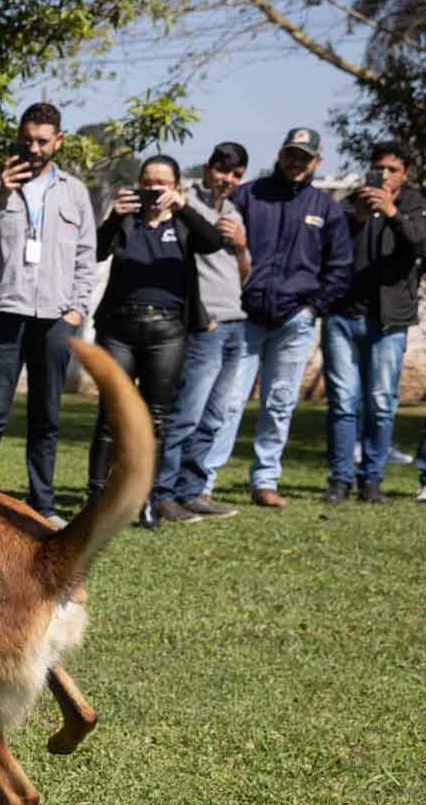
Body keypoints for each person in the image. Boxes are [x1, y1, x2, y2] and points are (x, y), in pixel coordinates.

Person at [0, 102, 97, 524]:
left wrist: (76, 310)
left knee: (46, 417)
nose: (34, 148)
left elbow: (86, 256)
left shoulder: (74, 192)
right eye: (27, 139)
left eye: (42, 141)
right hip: (4, 312)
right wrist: (0, 196)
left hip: (55, 319)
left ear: (59, 141)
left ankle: (43, 506)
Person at [86, 155, 225, 528]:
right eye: (147, 182)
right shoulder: (126, 219)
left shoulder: (183, 222)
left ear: (176, 186)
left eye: (161, 183)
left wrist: (184, 208)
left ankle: (146, 500)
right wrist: (113, 217)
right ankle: (95, 498)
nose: (153, 189)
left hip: (167, 331)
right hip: (119, 327)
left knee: (156, 420)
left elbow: (214, 242)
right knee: (111, 414)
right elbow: (95, 252)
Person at [226, 126, 352, 508]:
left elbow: (339, 267)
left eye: (304, 157)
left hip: (295, 320)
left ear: (317, 161)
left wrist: (312, 308)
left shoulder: (326, 208)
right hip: (245, 316)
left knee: (279, 403)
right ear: (281, 154)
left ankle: (265, 480)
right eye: (291, 154)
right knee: (228, 400)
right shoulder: (248, 195)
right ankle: (203, 479)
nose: (296, 162)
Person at [153, 142, 256, 522]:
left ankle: (192, 491)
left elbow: (244, 274)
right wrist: (199, 316)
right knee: (187, 414)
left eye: (236, 175)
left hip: (236, 322)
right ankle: (162, 493)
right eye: (223, 171)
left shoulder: (233, 212)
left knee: (214, 416)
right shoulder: (185, 203)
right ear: (209, 167)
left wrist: (241, 247)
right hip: (205, 323)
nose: (228, 180)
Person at [320, 141, 426, 503]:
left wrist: (392, 212)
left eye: (393, 169)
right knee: (342, 402)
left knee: (381, 403)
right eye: (378, 167)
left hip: (389, 320)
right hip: (343, 316)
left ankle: (372, 480)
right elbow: (328, 252)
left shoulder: (416, 204)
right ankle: (339, 479)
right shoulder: (350, 204)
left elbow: (419, 245)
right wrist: (359, 220)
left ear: (405, 174)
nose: (384, 175)